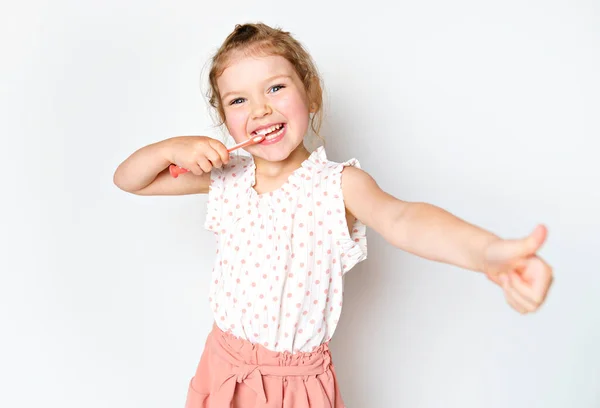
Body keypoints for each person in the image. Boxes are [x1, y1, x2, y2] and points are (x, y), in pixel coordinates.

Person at [113, 22, 553, 408]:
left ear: (311, 92)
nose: (260, 109)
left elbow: (403, 220)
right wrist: (171, 148)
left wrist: (487, 253)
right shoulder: (227, 177)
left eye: (276, 88)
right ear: (225, 118)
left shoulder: (337, 184)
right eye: (238, 100)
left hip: (296, 388)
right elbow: (130, 179)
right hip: (222, 368)